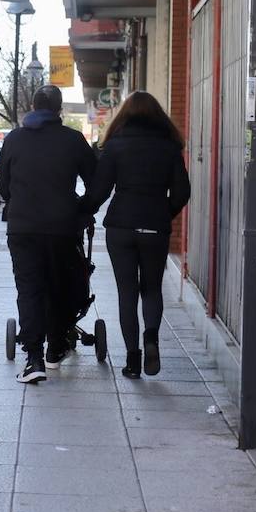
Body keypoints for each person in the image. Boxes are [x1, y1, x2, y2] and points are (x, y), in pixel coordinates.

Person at [82, 90, 191, 378]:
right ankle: (152, 337)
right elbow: (182, 192)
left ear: (124, 115)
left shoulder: (115, 145)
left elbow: (100, 191)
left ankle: (132, 359)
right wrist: (162, 213)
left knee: (127, 292)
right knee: (152, 288)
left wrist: (82, 211)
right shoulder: (169, 147)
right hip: (155, 226)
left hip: (121, 226)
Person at [0, 84, 97, 384]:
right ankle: (57, 347)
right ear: (59, 109)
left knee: (29, 290)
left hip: (23, 228)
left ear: (33, 107)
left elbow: (3, 183)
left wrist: (20, 202)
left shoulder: (15, 139)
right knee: (60, 286)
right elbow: (96, 180)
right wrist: (81, 209)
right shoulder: (73, 140)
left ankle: (34, 358)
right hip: (62, 228)